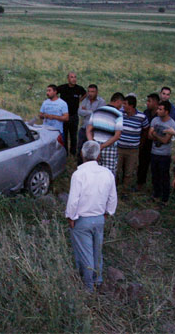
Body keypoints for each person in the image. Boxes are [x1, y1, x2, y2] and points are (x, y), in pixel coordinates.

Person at [65, 140, 118, 291]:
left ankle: (88, 287)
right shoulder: (107, 173)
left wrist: (70, 217)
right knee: (97, 250)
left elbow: (73, 200)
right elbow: (113, 197)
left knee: (85, 254)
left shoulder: (79, 174)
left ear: (82, 154)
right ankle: (98, 279)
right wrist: (108, 213)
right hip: (99, 218)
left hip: (82, 220)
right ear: (98, 155)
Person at [116, 94, 150, 197]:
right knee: (116, 170)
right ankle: (114, 190)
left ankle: (125, 192)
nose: (123, 105)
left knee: (129, 172)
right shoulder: (120, 114)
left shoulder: (141, 117)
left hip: (133, 150)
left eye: (125, 104)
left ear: (131, 106)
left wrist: (141, 143)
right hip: (119, 148)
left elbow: (145, 129)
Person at [148, 101, 175, 206]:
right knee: (155, 175)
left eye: (160, 109)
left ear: (167, 111)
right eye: (158, 109)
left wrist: (155, 134)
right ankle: (156, 194)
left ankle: (165, 198)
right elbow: (149, 136)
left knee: (164, 176)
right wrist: (157, 136)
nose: (158, 111)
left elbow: (165, 140)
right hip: (154, 152)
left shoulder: (172, 124)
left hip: (164, 154)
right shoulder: (155, 120)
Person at [86, 92, 124, 174]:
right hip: (109, 147)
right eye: (121, 104)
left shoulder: (96, 111)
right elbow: (117, 135)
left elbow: (88, 130)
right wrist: (102, 146)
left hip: (95, 145)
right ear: (117, 101)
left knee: (94, 172)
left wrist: (93, 143)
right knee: (108, 173)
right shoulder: (118, 115)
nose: (121, 107)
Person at [58, 72, 87, 156]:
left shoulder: (79, 89)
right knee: (64, 136)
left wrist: (80, 100)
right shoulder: (63, 87)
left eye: (75, 77)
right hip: (63, 116)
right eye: (72, 77)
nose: (74, 79)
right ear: (68, 79)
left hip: (74, 116)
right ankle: (65, 153)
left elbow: (85, 94)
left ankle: (73, 153)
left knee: (73, 136)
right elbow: (54, 91)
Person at [77, 84, 105, 165]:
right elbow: (79, 112)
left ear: (97, 92)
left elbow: (99, 114)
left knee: (93, 150)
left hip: (94, 130)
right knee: (80, 149)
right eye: (89, 91)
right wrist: (91, 111)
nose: (90, 93)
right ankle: (80, 166)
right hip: (84, 128)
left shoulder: (101, 102)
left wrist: (86, 111)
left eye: (92, 92)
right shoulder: (85, 100)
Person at [137, 93, 160, 190]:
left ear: (155, 102)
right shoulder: (146, 113)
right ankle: (140, 183)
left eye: (149, 101)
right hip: (145, 143)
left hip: (156, 144)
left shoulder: (160, 115)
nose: (147, 103)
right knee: (142, 164)